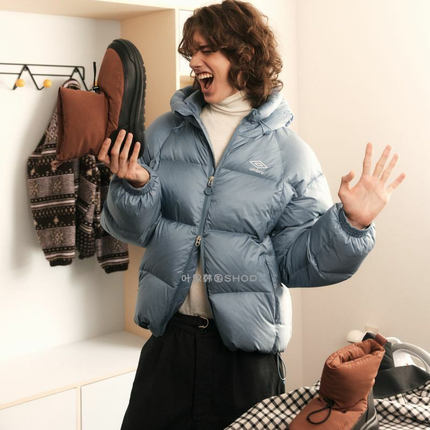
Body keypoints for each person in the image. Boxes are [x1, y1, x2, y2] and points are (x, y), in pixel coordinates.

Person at [97, 1, 406, 429]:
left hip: (244, 362)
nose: (195, 62)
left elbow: (298, 263)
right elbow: (135, 230)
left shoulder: (289, 153)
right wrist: (135, 187)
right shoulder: (164, 133)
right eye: (192, 52)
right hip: (169, 344)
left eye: (207, 51)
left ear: (244, 55)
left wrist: (351, 226)